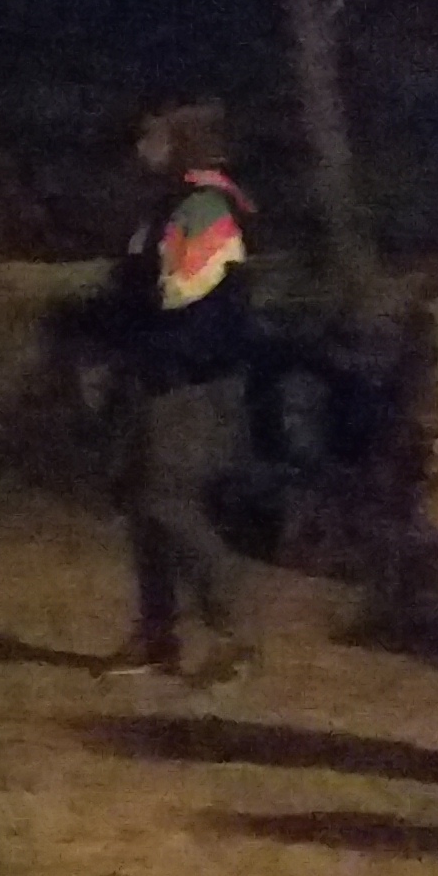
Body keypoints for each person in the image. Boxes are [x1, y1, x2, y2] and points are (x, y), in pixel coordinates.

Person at [102, 101, 261, 686]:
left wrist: (150, 354)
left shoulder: (205, 208)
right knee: (145, 502)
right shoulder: (175, 203)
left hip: (188, 380)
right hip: (164, 372)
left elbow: (195, 310)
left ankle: (233, 633)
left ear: (183, 145)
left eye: (157, 136)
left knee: (166, 501)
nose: (143, 146)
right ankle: (157, 635)